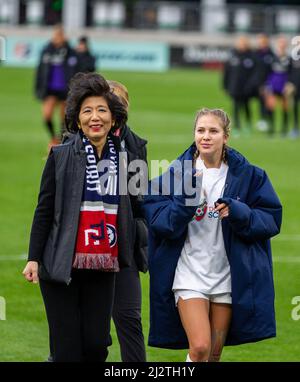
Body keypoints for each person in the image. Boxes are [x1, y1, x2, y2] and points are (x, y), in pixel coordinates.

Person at [142, 108, 282, 362]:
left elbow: (271, 219)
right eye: (201, 130)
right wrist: (186, 203)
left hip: (226, 276)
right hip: (189, 273)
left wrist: (238, 211)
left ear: (226, 136)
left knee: (214, 354)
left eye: (213, 131)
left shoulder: (251, 176)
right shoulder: (175, 174)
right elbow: (158, 220)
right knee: (200, 348)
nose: (206, 136)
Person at [23, 72, 136, 362]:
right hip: (61, 265)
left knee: (97, 347)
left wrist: (136, 251)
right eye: (87, 111)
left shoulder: (124, 161)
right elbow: (44, 208)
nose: (94, 117)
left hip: (103, 266)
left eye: (102, 110)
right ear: (77, 118)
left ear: (114, 117)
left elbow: (134, 210)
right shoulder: (60, 156)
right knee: (66, 352)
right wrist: (34, 258)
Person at [107, 80, 148, 362]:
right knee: (88, 333)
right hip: (85, 248)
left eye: (114, 105)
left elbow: (138, 199)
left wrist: (139, 236)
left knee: (130, 319)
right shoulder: (73, 143)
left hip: (124, 249)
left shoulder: (136, 146)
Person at [34, 24, 79, 150]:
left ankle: (60, 140)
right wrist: (38, 89)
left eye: (60, 35)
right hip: (50, 89)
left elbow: (76, 70)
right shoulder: (47, 50)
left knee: (63, 118)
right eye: (56, 35)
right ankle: (53, 137)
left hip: (65, 89)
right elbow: (40, 70)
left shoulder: (70, 51)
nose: (58, 37)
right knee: (47, 115)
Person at [223, 36, 256, 136]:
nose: (242, 45)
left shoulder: (251, 57)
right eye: (240, 43)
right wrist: (225, 86)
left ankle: (248, 125)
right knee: (235, 106)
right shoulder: (233, 56)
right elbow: (226, 72)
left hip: (247, 87)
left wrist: (252, 84)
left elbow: (254, 72)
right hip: (234, 86)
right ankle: (237, 126)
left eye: (244, 43)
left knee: (246, 106)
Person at [263, 36, 291, 136]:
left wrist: (289, 84)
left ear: (286, 45)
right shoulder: (272, 57)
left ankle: (284, 129)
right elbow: (267, 72)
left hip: (284, 85)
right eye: (280, 43)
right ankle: (271, 128)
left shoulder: (289, 58)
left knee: (285, 107)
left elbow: (291, 72)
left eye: (283, 43)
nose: (282, 45)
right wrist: (267, 85)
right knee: (271, 106)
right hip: (273, 85)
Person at [252, 34, 275, 132]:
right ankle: (262, 121)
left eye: (264, 41)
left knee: (269, 103)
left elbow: (273, 70)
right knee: (261, 102)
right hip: (258, 83)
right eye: (260, 41)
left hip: (269, 83)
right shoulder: (255, 53)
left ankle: (270, 123)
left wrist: (269, 84)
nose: (262, 43)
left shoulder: (271, 54)